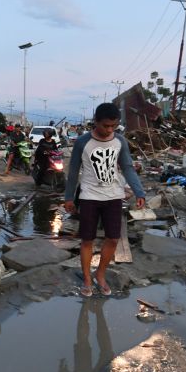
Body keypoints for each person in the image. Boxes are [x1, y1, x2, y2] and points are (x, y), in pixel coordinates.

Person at [63, 102, 145, 297]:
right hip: (89, 196)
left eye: (113, 126)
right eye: (106, 125)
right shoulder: (82, 142)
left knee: (113, 238)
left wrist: (139, 192)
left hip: (114, 196)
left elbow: (127, 168)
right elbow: (73, 171)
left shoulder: (120, 142)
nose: (110, 130)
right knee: (87, 240)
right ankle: (87, 278)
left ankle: (100, 274)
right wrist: (68, 198)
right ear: (96, 122)